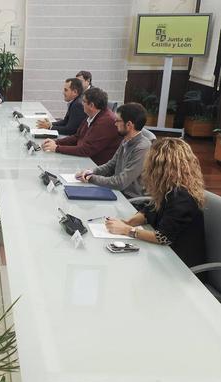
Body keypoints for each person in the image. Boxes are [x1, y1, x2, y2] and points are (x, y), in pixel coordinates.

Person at [105, 138, 205, 268]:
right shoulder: (170, 188)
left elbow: (163, 237)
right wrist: (129, 222)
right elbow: (150, 210)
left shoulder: (182, 196)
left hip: (181, 267)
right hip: (164, 257)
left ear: (161, 168)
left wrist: (128, 230)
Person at [76, 103, 151, 198]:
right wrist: (91, 171)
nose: (115, 124)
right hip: (117, 192)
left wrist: (91, 178)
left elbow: (121, 182)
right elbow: (111, 165)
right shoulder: (126, 140)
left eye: (118, 121)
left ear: (129, 125)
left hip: (129, 200)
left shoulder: (142, 148)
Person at [41, 87, 121, 165]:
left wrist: (57, 148)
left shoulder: (106, 121)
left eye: (84, 101)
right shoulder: (92, 114)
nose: (81, 104)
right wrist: (56, 142)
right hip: (87, 160)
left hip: (96, 166)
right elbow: (77, 136)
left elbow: (86, 150)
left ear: (91, 105)